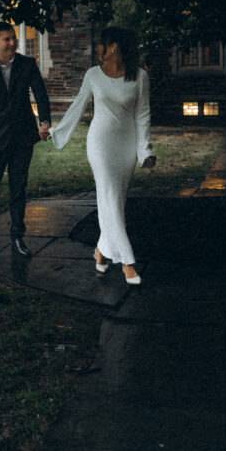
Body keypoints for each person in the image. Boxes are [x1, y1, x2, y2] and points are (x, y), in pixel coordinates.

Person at [50, 26, 156, 284]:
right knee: (108, 197)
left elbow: (142, 116)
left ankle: (101, 251)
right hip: (100, 144)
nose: (96, 48)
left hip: (126, 147)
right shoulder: (93, 75)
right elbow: (78, 106)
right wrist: (57, 131)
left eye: (100, 43)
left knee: (115, 202)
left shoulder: (140, 77)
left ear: (114, 47)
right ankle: (128, 262)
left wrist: (145, 151)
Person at [0, 22, 51, 257]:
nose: (12, 43)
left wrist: (44, 121)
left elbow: (41, 94)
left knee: (18, 188)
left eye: (13, 38)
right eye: (6, 39)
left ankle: (17, 237)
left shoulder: (28, 65)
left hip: (23, 137)